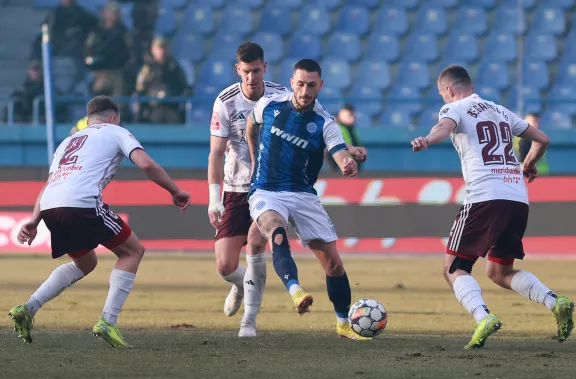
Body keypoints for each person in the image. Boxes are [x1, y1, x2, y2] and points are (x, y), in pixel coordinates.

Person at [411, 65, 574, 349]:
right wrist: (529, 164)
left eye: (442, 95)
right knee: (499, 272)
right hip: (517, 198)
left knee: (453, 268)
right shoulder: (500, 111)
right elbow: (543, 138)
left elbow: (443, 127)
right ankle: (554, 301)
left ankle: (482, 316)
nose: (443, 100)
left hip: (485, 196)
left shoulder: (454, 108)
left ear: (449, 90)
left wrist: (428, 139)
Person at [9, 95, 191, 348]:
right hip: (81, 202)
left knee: (85, 262)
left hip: (50, 205)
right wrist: (175, 191)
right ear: (114, 117)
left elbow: (50, 184)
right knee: (133, 251)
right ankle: (108, 320)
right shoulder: (116, 131)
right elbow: (146, 164)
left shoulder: (68, 141)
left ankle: (27, 309)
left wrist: (33, 220)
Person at [245, 59, 369, 340]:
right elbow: (251, 124)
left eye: (311, 85)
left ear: (320, 86)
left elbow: (339, 153)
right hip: (266, 190)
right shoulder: (270, 105)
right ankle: (296, 290)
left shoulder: (324, 122)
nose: (305, 91)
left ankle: (343, 324)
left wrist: (347, 163)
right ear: (292, 83)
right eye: (300, 84)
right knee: (276, 231)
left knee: (333, 264)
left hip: (302, 194)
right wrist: (254, 162)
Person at [208, 42, 288, 337]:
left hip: (268, 187)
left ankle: (249, 321)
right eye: (246, 72)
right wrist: (214, 199)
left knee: (256, 245)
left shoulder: (282, 97)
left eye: (256, 70)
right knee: (225, 265)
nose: (252, 77)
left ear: (264, 67)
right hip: (235, 187)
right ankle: (241, 285)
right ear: (237, 70)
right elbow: (216, 153)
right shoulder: (225, 101)